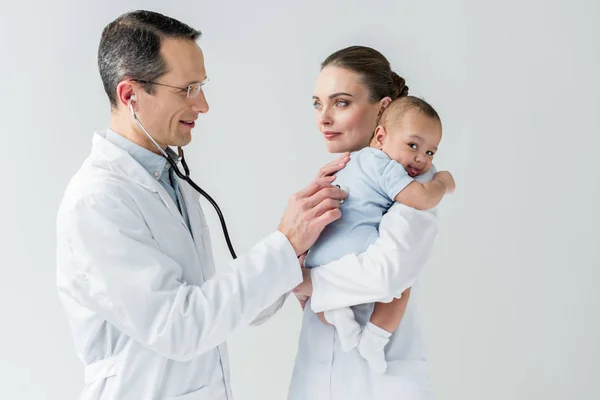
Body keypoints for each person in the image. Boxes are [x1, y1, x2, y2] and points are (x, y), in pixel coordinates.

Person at [55, 10, 347, 400]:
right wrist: (284, 243)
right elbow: (181, 327)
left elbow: (212, 303)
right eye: (187, 89)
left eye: (201, 86)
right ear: (131, 96)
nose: (204, 104)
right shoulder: (98, 200)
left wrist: (297, 252)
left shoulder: (169, 178)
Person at [254, 45, 444, 400]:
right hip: (314, 382)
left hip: (380, 382)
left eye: (341, 102)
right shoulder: (332, 182)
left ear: (383, 109)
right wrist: (289, 236)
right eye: (317, 103)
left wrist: (304, 279)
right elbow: (258, 307)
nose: (323, 117)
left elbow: (386, 274)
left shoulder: (415, 184)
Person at [304, 95, 455, 374]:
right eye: (413, 146)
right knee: (401, 285)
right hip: (355, 247)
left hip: (320, 251)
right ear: (381, 136)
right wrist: (443, 183)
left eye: (431, 152)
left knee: (320, 302)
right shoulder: (385, 166)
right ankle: (374, 339)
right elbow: (419, 198)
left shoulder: (349, 162)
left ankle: (338, 315)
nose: (421, 159)